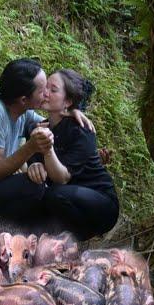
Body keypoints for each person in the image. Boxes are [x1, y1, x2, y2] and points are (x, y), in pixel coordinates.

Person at [0, 58, 93, 228]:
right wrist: (30, 148)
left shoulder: (22, 112)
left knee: (47, 191)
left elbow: (52, 127)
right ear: (23, 99)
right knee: (32, 186)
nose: (46, 94)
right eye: (42, 90)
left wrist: (72, 110)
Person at [26, 69, 119, 240]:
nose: (45, 93)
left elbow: (61, 178)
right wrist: (34, 164)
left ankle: (75, 241)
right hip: (66, 197)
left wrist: (47, 147)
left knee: (54, 194)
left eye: (53, 90)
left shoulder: (81, 131)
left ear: (67, 101)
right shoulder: (37, 126)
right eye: (45, 87)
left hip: (100, 202)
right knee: (35, 194)